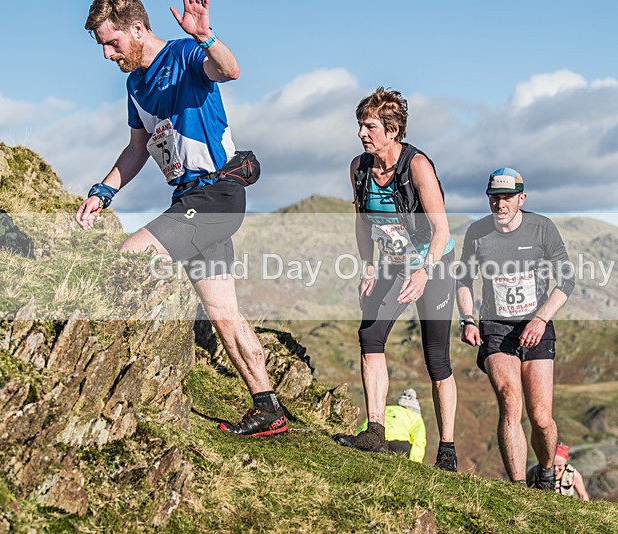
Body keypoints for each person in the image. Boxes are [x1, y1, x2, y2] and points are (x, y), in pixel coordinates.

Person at [77, 0, 286, 437]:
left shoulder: (185, 55)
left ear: (136, 29)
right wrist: (104, 191)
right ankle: (269, 408)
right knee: (224, 314)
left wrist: (205, 36)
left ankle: (106, 376)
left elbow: (230, 71)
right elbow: (137, 149)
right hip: (188, 198)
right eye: (102, 46)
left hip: (217, 194)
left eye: (111, 43)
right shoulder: (135, 84)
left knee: (131, 255)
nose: (106, 54)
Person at [333, 87, 459, 471]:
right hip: (390, 263)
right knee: (370, 336)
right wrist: (367, 265)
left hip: (433, 263)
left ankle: (448, 451)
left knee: (436, 358)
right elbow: (360, 222)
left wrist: (424, 272)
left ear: (393, 129)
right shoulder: (359, 168)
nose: (361, 133)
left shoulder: (416, 165)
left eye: (369, 126)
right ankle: (374, 432)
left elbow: (441, 229)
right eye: (359, 125)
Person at [456, 168, 575, 488]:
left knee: (540, 416)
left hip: (536, 326)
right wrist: (467, 319)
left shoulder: (542, 228)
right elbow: (464, 280)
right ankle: (519, 486)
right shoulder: (477, 233)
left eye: (507, 197)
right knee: (510, 400)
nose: (500, 204)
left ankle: (547, 473)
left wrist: (541, 318)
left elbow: (566, 280)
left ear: (522, 198)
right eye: (494, 197)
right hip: (496, 327)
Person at [357, 388, 427, 463]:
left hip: (378, 440)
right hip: (400, 445)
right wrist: (415, 462)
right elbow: (419, 441)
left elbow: (366, 425)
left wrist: (358, 442)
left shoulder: (384, 409)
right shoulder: (415, 417)